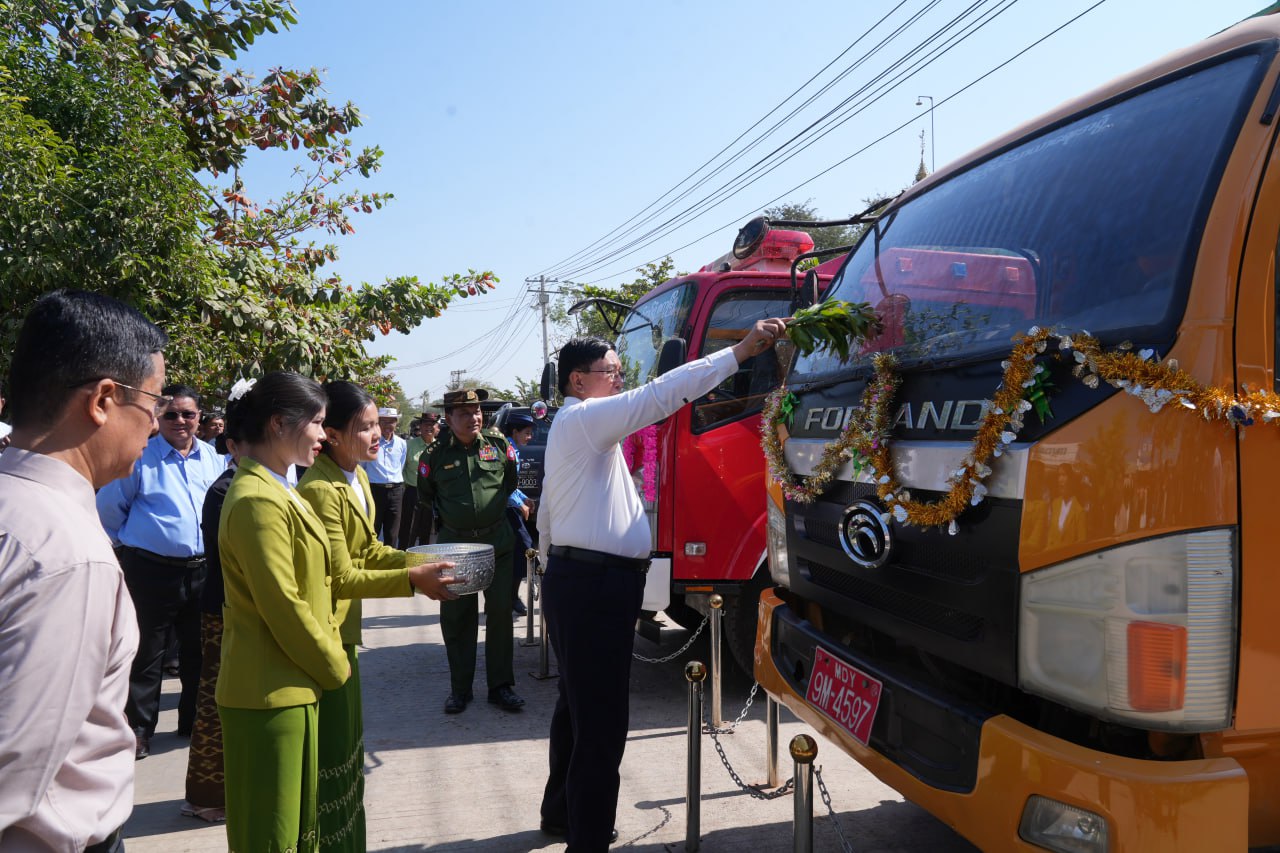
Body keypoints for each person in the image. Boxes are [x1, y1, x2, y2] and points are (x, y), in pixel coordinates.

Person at [538, 317, 787, 850]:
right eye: (611, 370)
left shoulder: (575, 429)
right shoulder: (584, 419)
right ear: (578, 380)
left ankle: (562, 812)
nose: (619, 378)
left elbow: (549, 521)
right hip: (592, 584)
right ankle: (588, 839)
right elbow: (662, 394)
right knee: (601, 724)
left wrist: (550, 573)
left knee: (576, 707)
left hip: (581, 580)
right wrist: (740, 351)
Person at [0, 290, 168, 852]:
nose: (155, 425)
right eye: (155, 403)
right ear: (102, 400)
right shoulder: (69, 557)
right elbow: (15, 767)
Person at [297, 381, 458, 851]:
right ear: (330, 432)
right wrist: (413, 580)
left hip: (344, 632)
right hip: (322, 635)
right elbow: (342, 577)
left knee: (348, 753)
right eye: (363, 427)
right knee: (332, 756)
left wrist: (419, 562)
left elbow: (368, 549)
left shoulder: (357, 477)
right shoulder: (321, 490)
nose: (376, 436)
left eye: (375, 426)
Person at [215, 372, 348, 852]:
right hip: (266, 691)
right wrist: (336, 665)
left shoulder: (278, 488)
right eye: (316, 422)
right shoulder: (256, 501)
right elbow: (283, 605)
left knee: (295, 832)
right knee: (270, 838)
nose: (322, 435)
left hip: (290, 685)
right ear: (278, 424)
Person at [96, 384, 224, 759]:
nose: (180, 421)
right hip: (150, 571)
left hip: (203, 570)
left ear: (200, 418)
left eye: (188, 414)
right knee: (146, 655)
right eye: (171, 414)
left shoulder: (214, 461)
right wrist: (135, 550)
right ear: (158, 418)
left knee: (199, 652)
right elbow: (109, 514)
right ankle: (139, 729)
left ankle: (193, 722)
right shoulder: (141, 458)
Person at [417, 387, 524, 714]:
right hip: (457, 548)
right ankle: (460, 689)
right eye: (464, 413)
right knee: (457, 617)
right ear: (448, 418)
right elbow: (427, 495)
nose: (474, 417)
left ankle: (500, 686)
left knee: (501, 615)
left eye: (477, 411)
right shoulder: (433, 456)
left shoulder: (498, 446)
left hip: (498, 543)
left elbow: (509, 484)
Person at [181, 430, 243, 824]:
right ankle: (205, 795)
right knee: (214, 702)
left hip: (236, 609)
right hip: (223, 610)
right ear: (235, 445)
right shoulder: (226, 491)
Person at [502, 412, 535, 617]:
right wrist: (519, 504)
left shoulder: (512, 449)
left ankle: (505, 598)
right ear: (515, 431)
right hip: (504, 508)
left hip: (510, 505)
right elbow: (504, 484)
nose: (529, 438)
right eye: (527, 433)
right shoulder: (507, 450)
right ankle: (512, 597)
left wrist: (523, 498)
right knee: (525, 548)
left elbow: (513, 484)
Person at [360, 407, 406, 547]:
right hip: (375, 490)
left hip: (396, 490)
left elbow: (401, 465)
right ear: (377, 423)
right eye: (383, 421)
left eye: (391, 421)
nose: (388, 425)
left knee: (392, 533)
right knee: (373, 529)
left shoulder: (401, 443)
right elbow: (362, 466)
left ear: (396, 423)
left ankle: (390, 563)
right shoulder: (371, 443)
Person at [397, 414, 434, 549]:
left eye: (432, 425)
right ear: (420, 426)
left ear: (437, 427)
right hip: (412, 492)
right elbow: (400, 469)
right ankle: (403, 561)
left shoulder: (440, 447)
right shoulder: (409, 445)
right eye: (426, 424)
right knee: (407, 531)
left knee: (426, 531)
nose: (429, 428)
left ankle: (424, 564)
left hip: (431, 495)